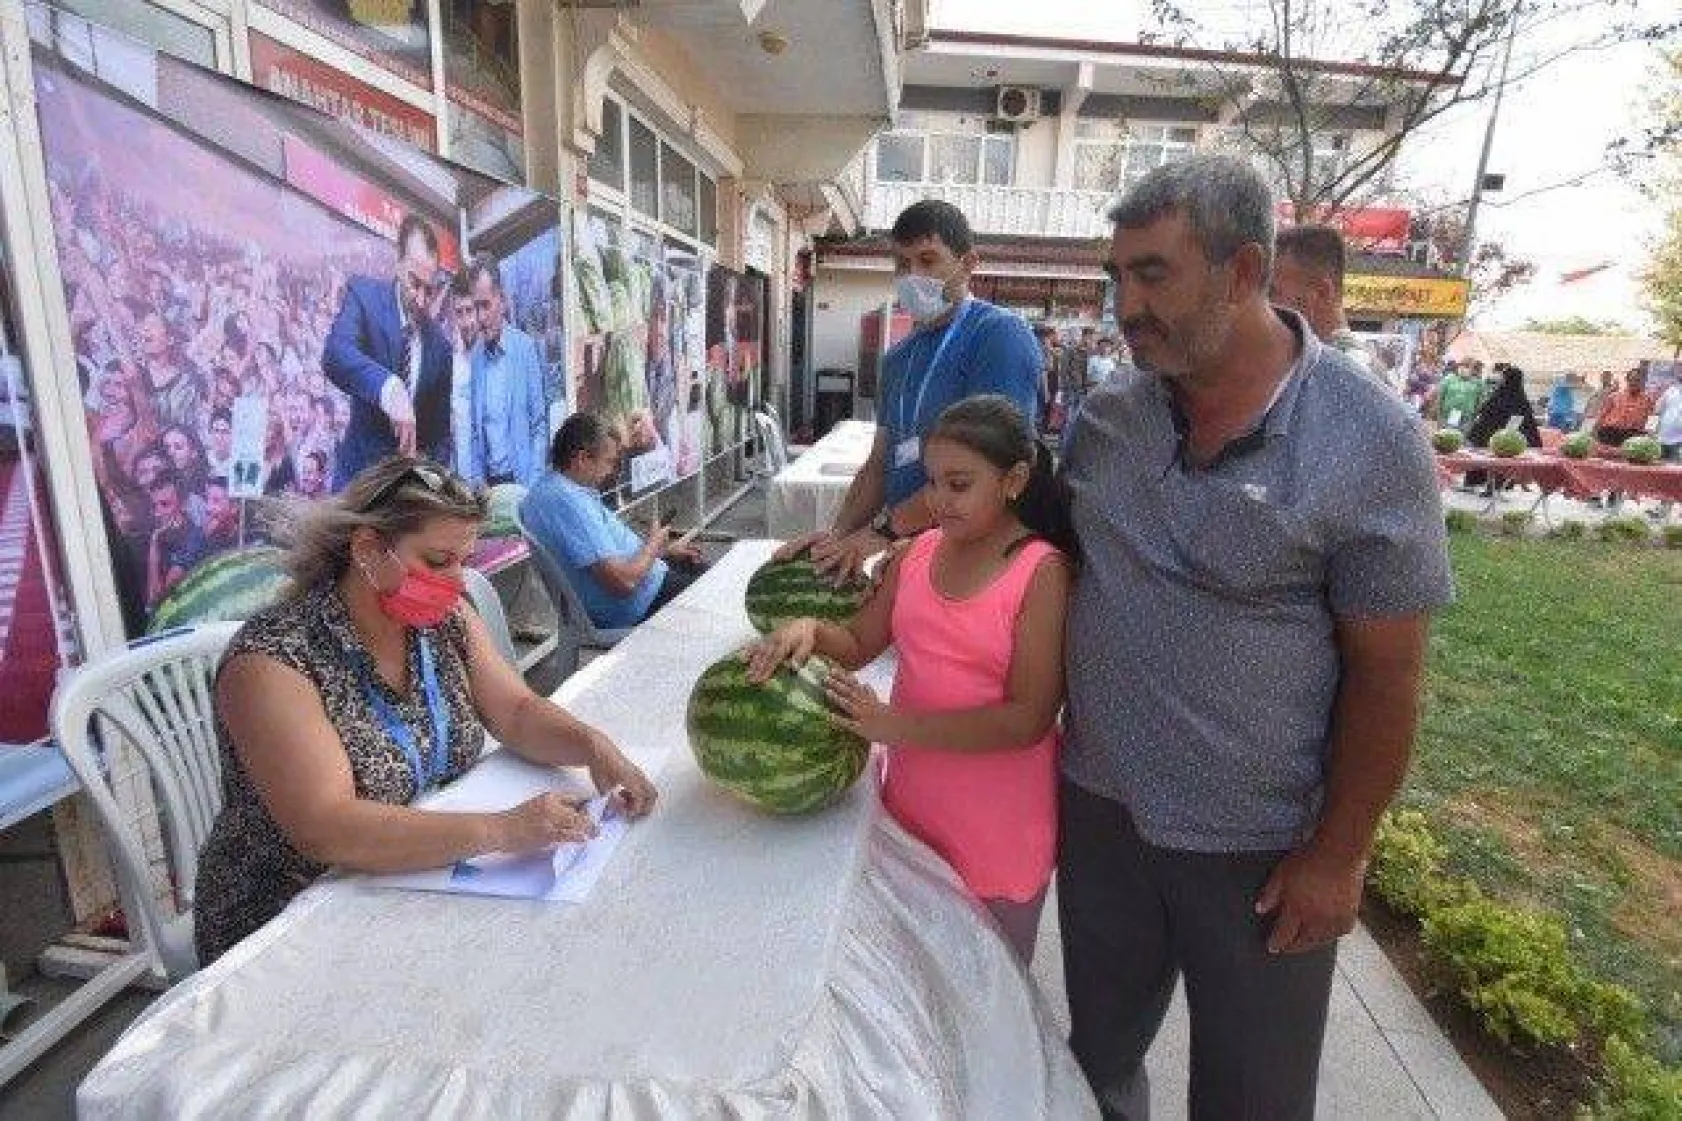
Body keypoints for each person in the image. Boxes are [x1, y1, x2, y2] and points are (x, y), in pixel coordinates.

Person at [1060, 154, 1452, 1121]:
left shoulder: (1367, 439)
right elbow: (1049, 557)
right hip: (1102, 812)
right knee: (1095, 1065)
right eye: (1118, 276)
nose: (1127, 305)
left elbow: (1388, 676)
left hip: (1261, 851)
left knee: (1252, 1099)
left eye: (1154, 274)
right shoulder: (1110, 416)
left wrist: (1339, 852)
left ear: (1242, 273)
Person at [193, 457, 657, 965]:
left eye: (464, 559)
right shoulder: (274, 658)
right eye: (438, 562)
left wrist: (594, 747)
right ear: (368, 549)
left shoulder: (442, 621)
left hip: (412, 880)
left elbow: (518, 711)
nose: (457, 582)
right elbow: (326, 826)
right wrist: (502, 831)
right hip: (291, 921)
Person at [746, 395, 1072, 964]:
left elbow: (1027, 720)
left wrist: (892, 726)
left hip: (997, 832)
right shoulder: (916, 554)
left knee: (990, 997)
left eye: (959, 484)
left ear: (1014, 479)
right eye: (931, 483)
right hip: (910, 815)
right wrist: (811, 630)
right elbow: (859, 643)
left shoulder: (1040, 572)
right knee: (917, 999)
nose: (939, 502)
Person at [778, 200, 1041, 582]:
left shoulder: (998, 337)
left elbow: (988, 470)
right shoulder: (899, 356)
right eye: (902, 264)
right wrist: (836, 539)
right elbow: (879, 464)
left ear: (968, 264)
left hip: (970, 554)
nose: (912, 275)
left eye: (928, 260)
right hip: (904, 550)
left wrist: (880, 532)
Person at [519, 413, 707, 629]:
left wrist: (664, 551)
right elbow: (623, 583)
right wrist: (654, 545)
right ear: (582, 459)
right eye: (608, 462)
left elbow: (610, 557)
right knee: (720, 598)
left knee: (702, 569)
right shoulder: (566, 503)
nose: (611, 472)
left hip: (644, 583)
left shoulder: (556, 487)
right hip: (638, 604)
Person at [322, 214, 452, 486]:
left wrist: (431, 482)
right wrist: (388, 387)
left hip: (405, 497)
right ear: (399, 265)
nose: (421, 300)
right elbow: (336, 354)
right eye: (414, 283)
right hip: (358, 483)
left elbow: (439, 436)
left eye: (429, 290)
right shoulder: (364, 296)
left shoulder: (440, 348)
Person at [466, 254, 548, 486]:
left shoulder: (525, 349)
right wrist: (477, 482)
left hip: (522, 481)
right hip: (489, 487)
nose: (480, 317)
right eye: (475, 307)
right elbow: (475, 430)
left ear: (501, 300)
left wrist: (531, 486)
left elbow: (539, 426)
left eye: (486, 305)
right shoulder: (475, 359)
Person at [1269, 224, 1382, 385]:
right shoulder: (1323, 362)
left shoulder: (1348, 370)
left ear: (1322, 292)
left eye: (1272, 292)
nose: (1265, 305)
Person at [145, 471, 208, 609]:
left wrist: (154, 544)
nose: (158, 512)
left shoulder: (194, 539)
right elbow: (150, 602)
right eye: (154, 506)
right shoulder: (159, 534)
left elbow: (161, 597)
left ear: (183, 503)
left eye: (165, 504)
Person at [447, 271, 478, 482]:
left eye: (470, 311)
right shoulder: (453, 365)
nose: (466, 322)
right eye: (459, 313)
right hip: (464, 483)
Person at [1593, 367, 1658, 449]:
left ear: (1642, 382)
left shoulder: (1647, 400)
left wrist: (1650, 435)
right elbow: (1601, 416)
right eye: (1632, 379)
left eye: (1637, 380)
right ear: (1627, 380)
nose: (1634, 382)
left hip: (1633, 437)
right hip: (1610, 434)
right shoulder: (1614, 396)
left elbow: (1651, 420)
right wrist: (1594, 432)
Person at [1435, 359, 1487, 432]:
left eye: (1468, 367)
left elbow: (1480, 401)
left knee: (1458, 439)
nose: (1464, 369)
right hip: (1447, 415)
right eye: (1462, 366)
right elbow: (1440, 396)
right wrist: (1438, 414)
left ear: (1473, 369)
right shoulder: (1449, 378)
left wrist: (1474, 416)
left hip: (1466, 418)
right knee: (1445, 437)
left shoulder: (1478, 383)